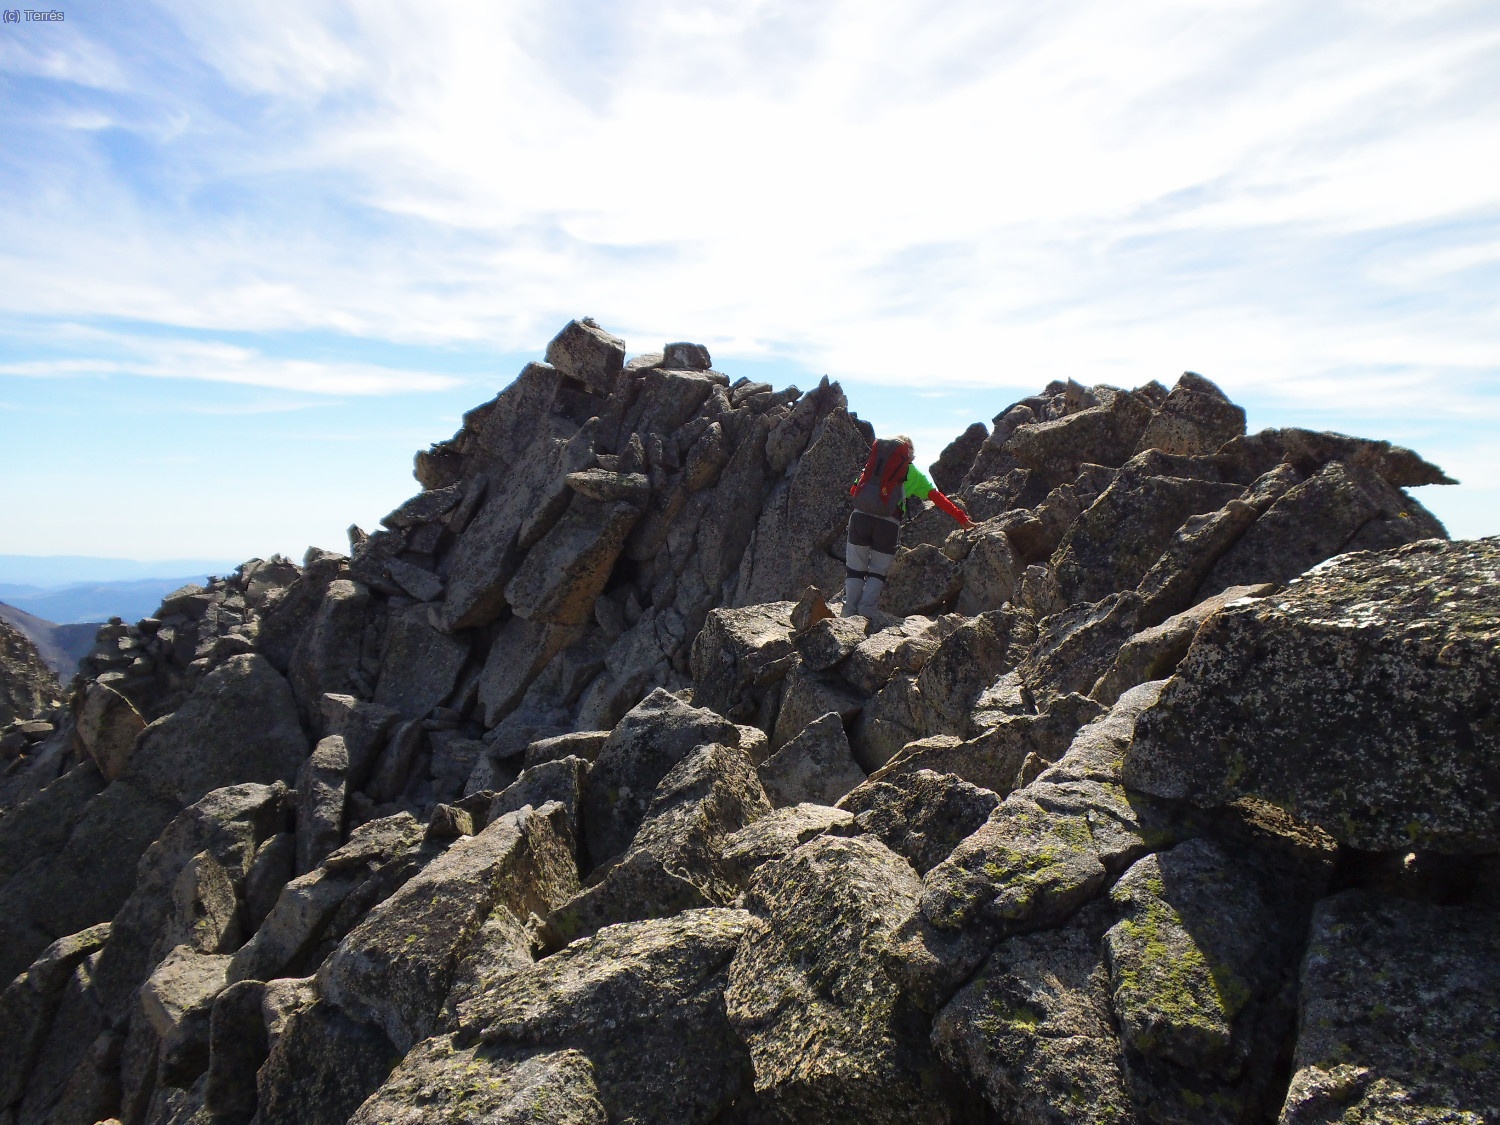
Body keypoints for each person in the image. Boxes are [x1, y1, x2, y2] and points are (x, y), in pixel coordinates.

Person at [843, 434, 972, 618]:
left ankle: (848, 612)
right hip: (888, 524)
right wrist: (962, 518)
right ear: (907, 454)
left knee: (855, 568)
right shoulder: (914, 474)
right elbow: (938, 499)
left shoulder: (874, 467)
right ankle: (866, 610)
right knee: (877, 571)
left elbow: (854, 491)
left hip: (859, 518)